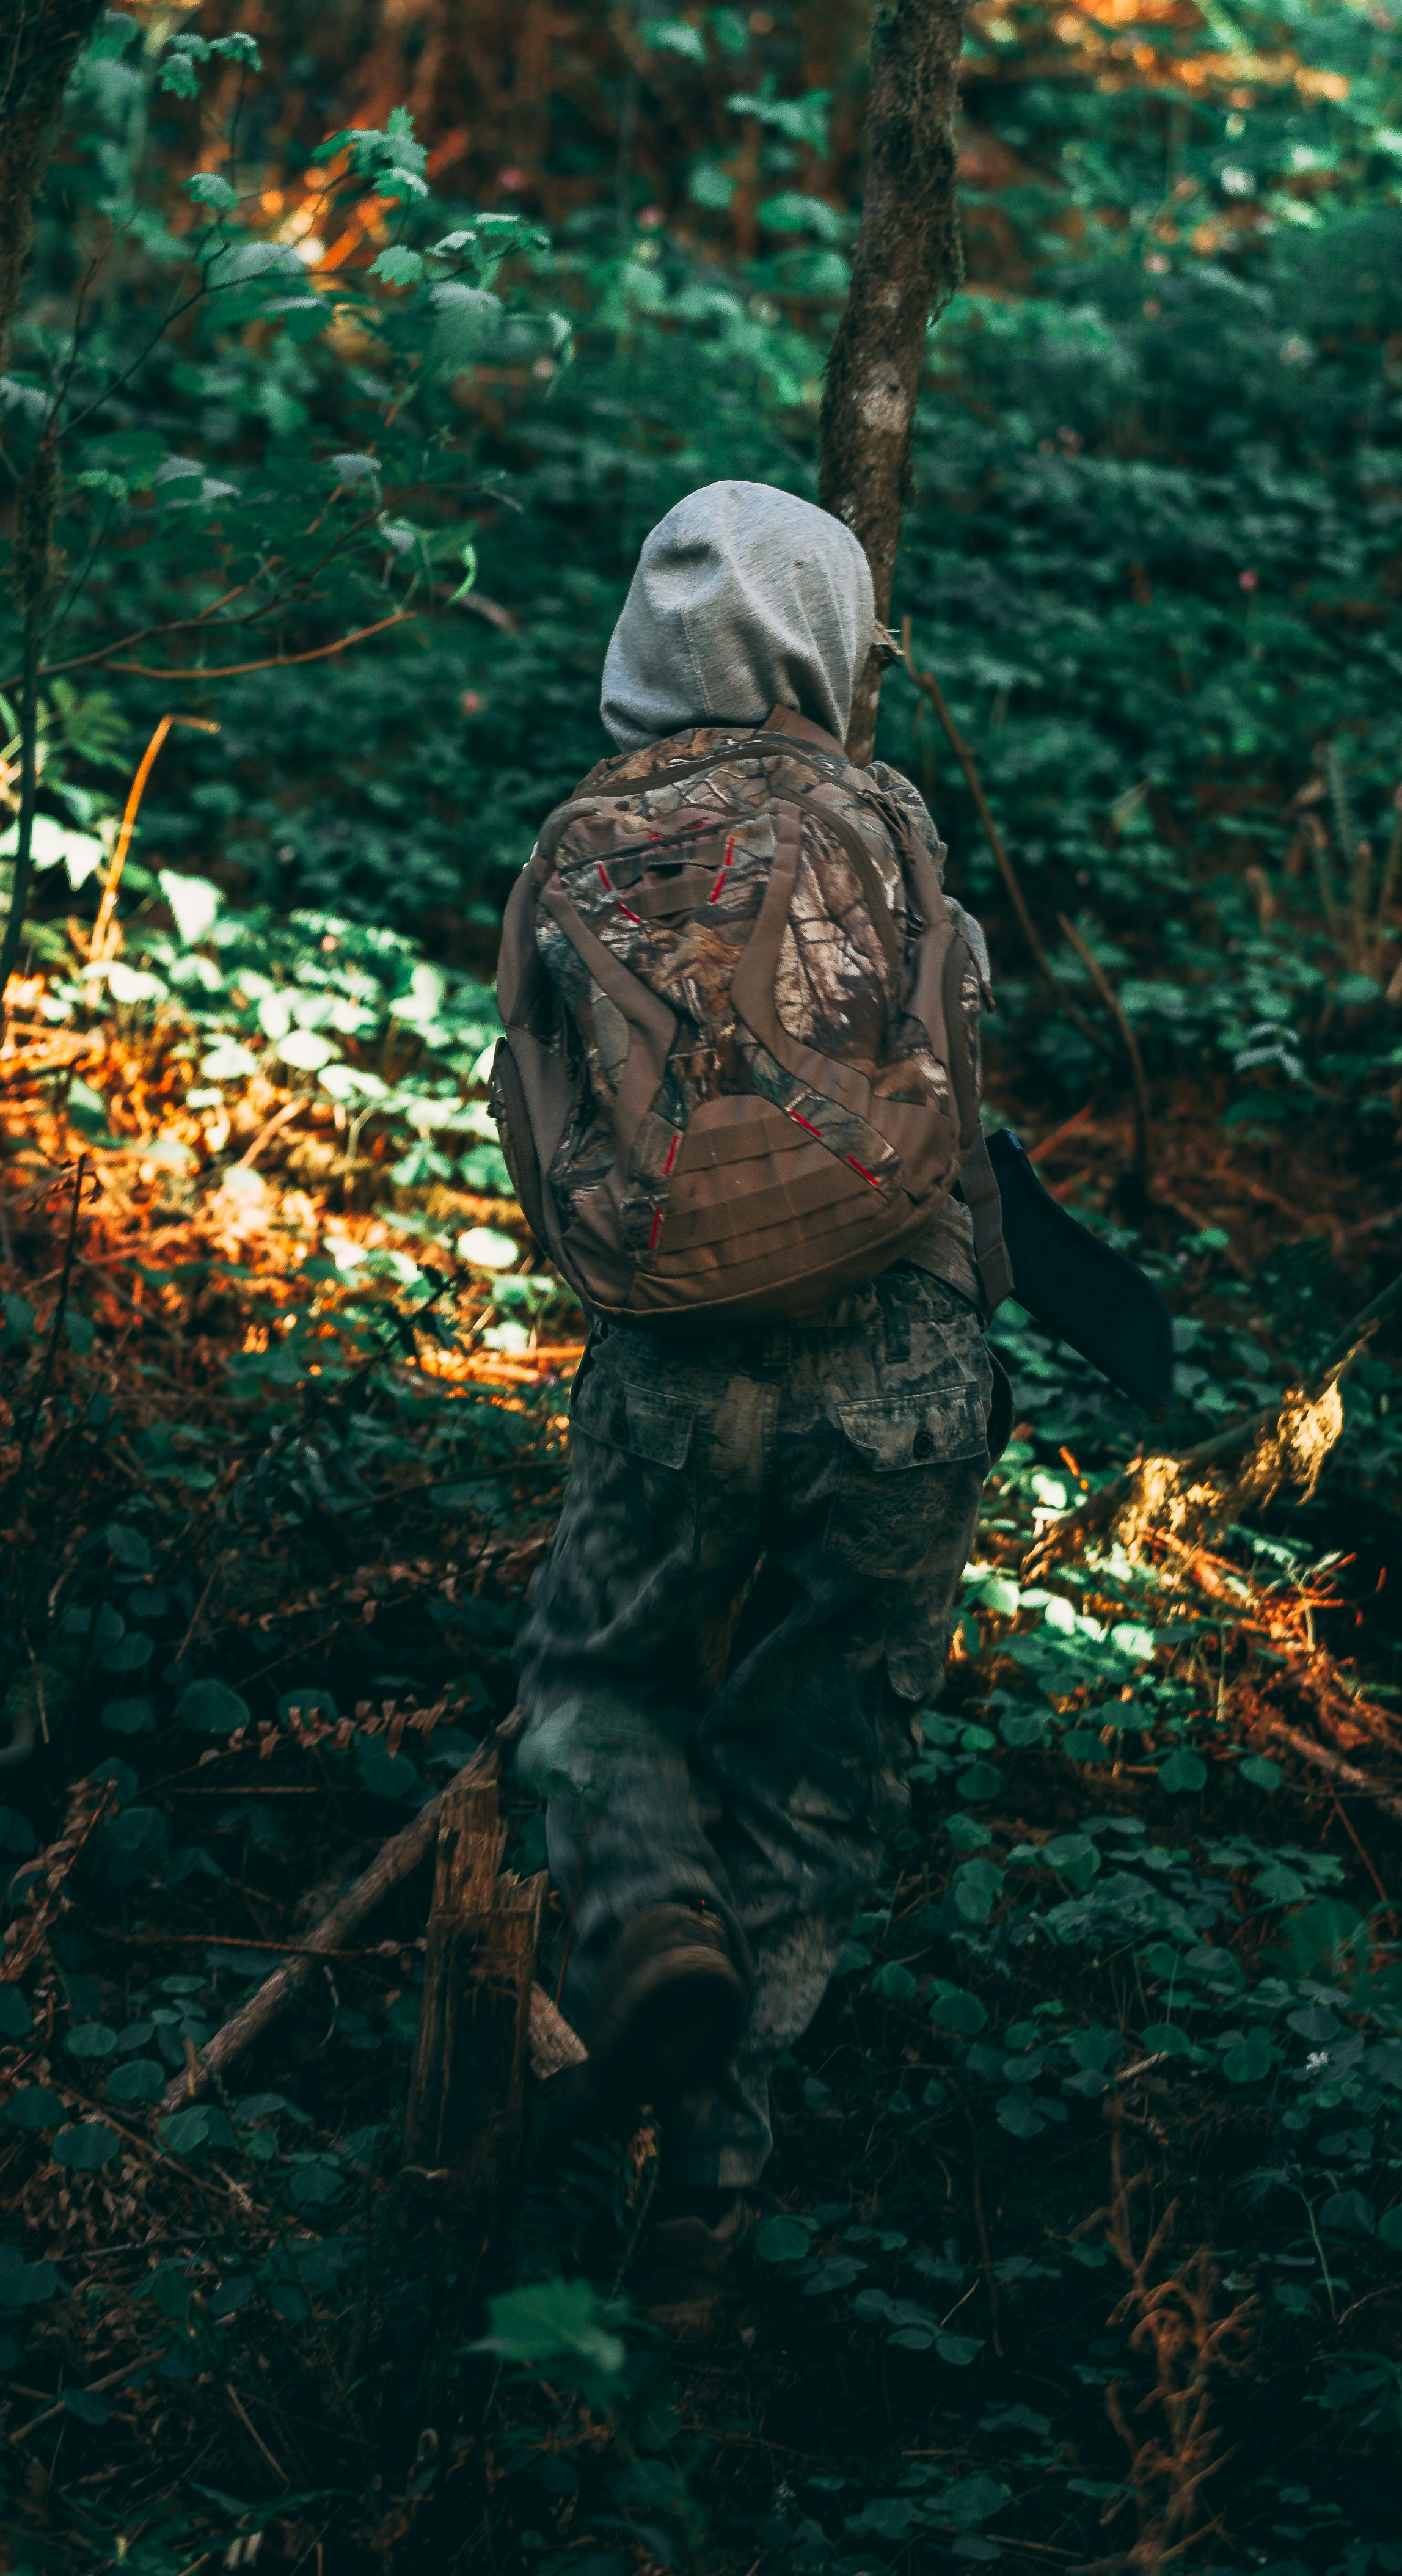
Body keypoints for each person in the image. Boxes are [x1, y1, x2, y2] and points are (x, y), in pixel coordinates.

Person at [505, 480, 1002, 2331]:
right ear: (830, 634)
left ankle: (645, 1922)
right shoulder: (889, 817)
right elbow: (956, 1095)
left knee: (586, 1683)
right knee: (818, 1769)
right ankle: (712, 2190)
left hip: (672, 1374)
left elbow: (540, 1133)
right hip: (902, 1361)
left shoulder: (574, 843)